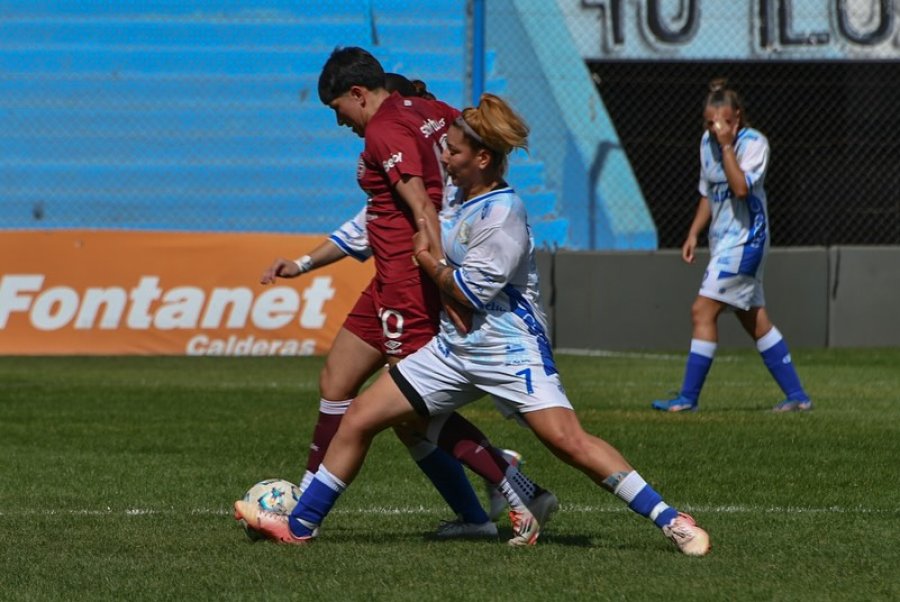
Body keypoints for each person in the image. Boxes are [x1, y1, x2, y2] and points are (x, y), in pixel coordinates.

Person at [237, 92, 711, 556]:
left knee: (570, 443)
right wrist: (309, 261)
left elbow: (469, 292)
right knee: (359, 417)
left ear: (482, 158)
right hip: (453, 349)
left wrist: (426, 261)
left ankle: (672, 520)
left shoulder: (504, 213)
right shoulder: (453, 201)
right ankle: (300, 526)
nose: (443, 154)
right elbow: (388, 225)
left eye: (453, 150)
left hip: (509, 351)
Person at [258, 57, 553, 539]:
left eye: (337, 109)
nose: (339, 122)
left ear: (357, 93)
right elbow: (380, 212)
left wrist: (444, 284)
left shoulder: (386, 129)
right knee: (337, 380)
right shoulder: (430, 111)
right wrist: (305, 262)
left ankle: (509, 480)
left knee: (411, 412)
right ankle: (309, 491)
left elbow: (423, 208)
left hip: (407, 285)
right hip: (385, 284)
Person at [652, 79, 812, 413]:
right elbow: (709, 194)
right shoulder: (706, 143)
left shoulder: (754, 144)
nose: (715, 128)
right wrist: (694, 232)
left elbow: (740, 189)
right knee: (753, 318)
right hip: (724, 241)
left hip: (747, 241)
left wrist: (727, 147)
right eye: (709, 122)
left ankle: (688, 398)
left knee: (702, 309)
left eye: (722, 121)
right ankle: (798, 397)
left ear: (737, 118)